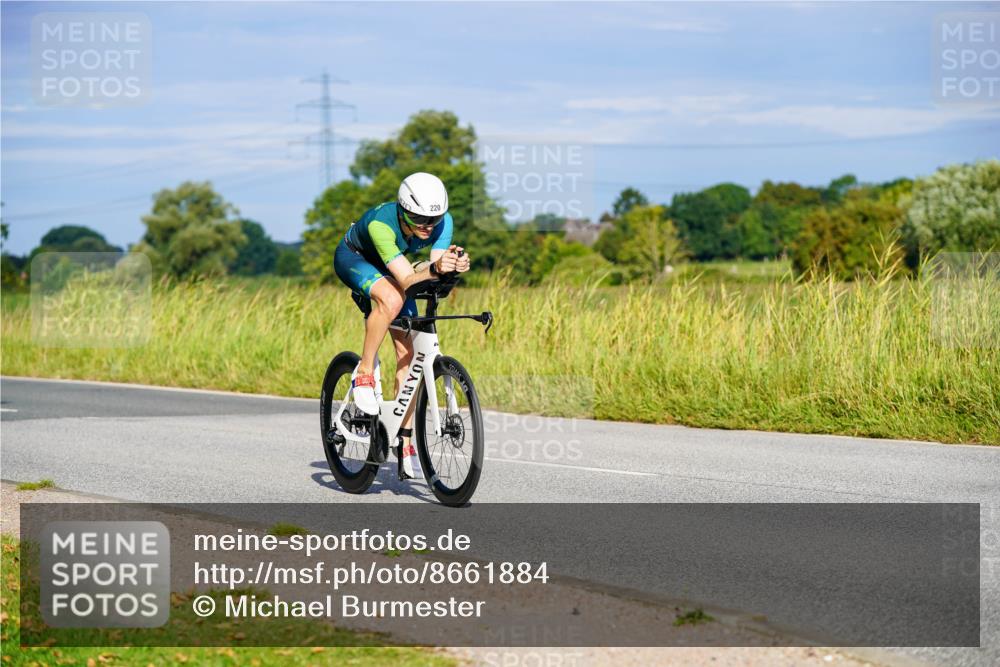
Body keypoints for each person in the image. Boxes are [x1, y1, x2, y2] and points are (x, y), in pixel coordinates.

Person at [333, 172, 471, 477]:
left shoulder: (442, 223)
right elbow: (409, 279)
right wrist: (435, 268)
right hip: (355, 259)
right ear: (402, 209)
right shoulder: (381, 224)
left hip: (394, 265)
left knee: (410, 354)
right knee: (392, 301)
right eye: (417, 218)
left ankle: (403, 436)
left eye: (433, 219)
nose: (427, 226)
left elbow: (427, 271)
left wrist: (452, 268)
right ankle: (365, 372)